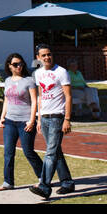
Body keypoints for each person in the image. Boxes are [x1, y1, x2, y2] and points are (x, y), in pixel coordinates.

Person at [30, 44, 76, 198]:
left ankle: (44, 186)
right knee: (56, 151)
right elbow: (41, 96)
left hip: (57, 116)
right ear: (38, 57)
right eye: (43, 55)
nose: (47, 58)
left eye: (49, 54)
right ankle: (67, 183)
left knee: (50, 153)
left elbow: (68, 96)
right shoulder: (37, 74)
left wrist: (67, 119)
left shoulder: (61, 72)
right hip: (45, 117)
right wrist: (38, 118)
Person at [0, 52, 44, 190]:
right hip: (10, 121)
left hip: (25, 121)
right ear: (9, 66)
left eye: (21, 64)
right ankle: (8, 182)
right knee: (8, 152)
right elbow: (7, 100)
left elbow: (35, 101)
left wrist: (31, 120)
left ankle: (43, 177)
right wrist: (2, 117)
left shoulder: (29, 81)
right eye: (16, 64)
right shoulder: (7, 81)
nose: (19, 66)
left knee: (28, 151)